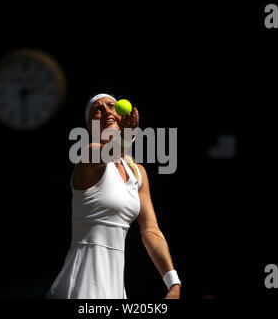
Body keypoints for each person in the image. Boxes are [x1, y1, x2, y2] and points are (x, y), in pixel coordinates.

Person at [47, 93, 181, 299]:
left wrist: (173, 282)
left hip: (115, 286)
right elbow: (111, 152)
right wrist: (128, 136)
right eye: (97, 110)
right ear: (89, 128)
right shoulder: (87, 154)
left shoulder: (137, 173)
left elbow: (150, 229)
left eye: (112, 106)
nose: (107, 111)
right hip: (83, 280)